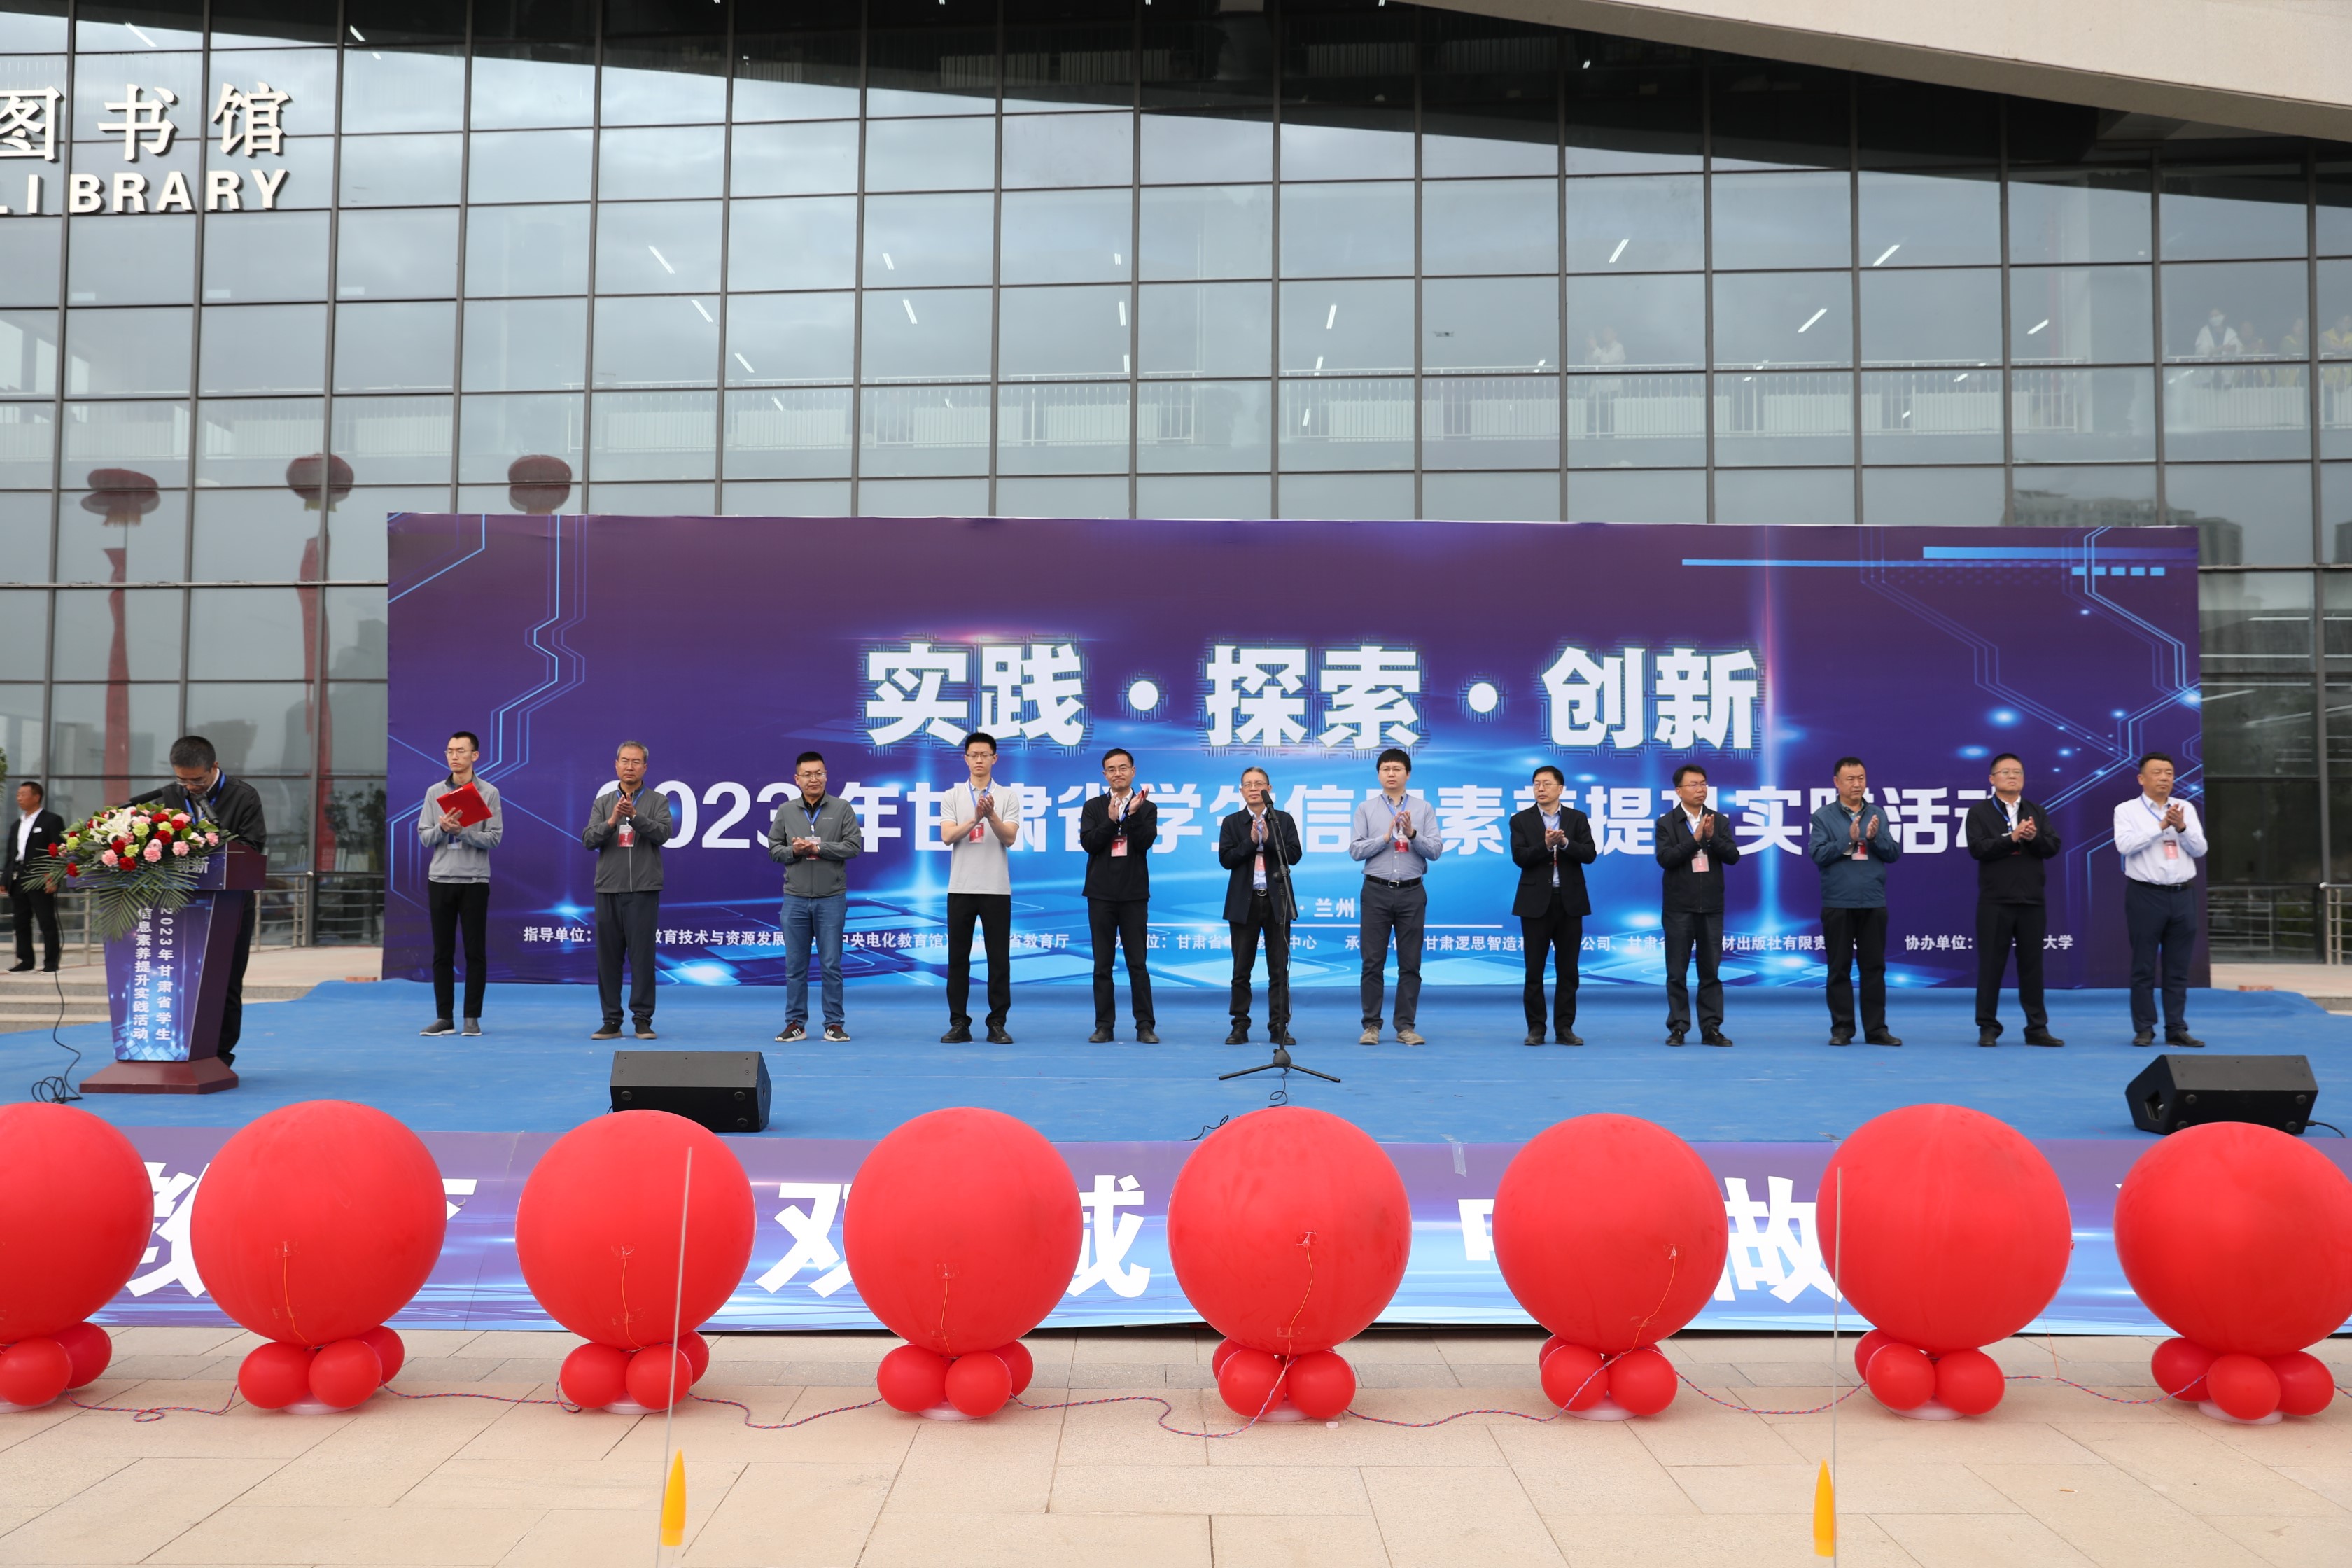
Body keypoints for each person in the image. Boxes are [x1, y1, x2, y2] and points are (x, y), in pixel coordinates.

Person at [139, 737, 268, 1067]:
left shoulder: (243, 796)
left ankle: (220, 1056)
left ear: (214, 766)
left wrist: (205, 843)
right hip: (177, 903)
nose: (189, 787)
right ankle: (176, 1047)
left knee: (226, 981)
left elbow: (252, 848)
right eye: (182, 779)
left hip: (230, 904)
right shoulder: (169, 796)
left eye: (197, 780)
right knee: (177, 978)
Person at [1963, 752, 2064, 1048]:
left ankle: (2037, 1028)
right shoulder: (1979, 812)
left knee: (2032, 967)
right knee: (1991, 966)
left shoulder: (2036, 811)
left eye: (2017, 772)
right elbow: (1978, 849)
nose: (2012, 776)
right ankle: (1988, 1027)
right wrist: (2012, 838)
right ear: (1992, 779)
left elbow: (2053, 846)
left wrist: (2032, 838)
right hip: (1995, 901)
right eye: (2005, 772)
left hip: (2032, 900)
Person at [766, 750, 863, 1044]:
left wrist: (820, 849)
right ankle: (795, 1023)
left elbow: (853, 846)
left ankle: (834, 1023)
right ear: (797, 779)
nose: (814, 779)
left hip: (831, 898)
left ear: (826, 776)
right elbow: (774, 850)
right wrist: (794, 851)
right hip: (795, 899)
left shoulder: (842, 808)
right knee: (795, 966)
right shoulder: (786, 810)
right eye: (807, 774)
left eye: (819, 773)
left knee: (831, 964)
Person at [1350, 747, 1444, 1046]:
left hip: (1412, 892)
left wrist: (1412, 834)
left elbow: (1436, 850)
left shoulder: (1424, 808)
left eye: (1397, 769)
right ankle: (1371, 1026)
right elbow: (1355, 850)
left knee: (1410, 963)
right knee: (1372, 963)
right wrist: (1385, 837)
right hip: (1376, 891)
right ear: (1378, 774)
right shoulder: (1366, 809)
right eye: (1386, 769)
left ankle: (1405, 1026)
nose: (1391, 774)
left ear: (1408, 774)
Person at [1807, 757, 1903, 1048]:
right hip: (1838, 902)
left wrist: (1874, 839)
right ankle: (1842, 1029)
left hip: (1873, 901)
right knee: (1839, 968)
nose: (1857, 784)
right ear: (1836, 783)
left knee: (1874, 968)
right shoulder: (1823, 816)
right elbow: (1818, 855)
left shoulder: (1877, 813)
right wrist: (1847, 841)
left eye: (1861, 778)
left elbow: (1893, 853)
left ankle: (1876, 1030)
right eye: (1850, 779)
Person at [2114, 751, 2208, 1049]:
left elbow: (2200, 849)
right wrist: (2160, 827)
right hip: (2146, 895)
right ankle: (2144, 1028)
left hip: (2183, 895)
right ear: (2141, 779)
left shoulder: (2186, 808)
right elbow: (2125, 845)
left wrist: (2181, 827)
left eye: (2169, 773)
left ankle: (2176, 1028)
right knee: (2143, 967)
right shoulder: (2126, 810)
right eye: (2157, 773)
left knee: (2178, 968)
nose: (2164, 778)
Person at [583, 740, 671, 1041]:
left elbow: (663, 834)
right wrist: (612, 821)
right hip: (608, 889)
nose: (629, 766)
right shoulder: (603, 802)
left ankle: (642, 1019)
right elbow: (588, 839)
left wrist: (635, 815)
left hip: (644, 890)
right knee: (608, 959)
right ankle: (611, 1020)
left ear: (645, 767)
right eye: (624, 761)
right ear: (616, 765)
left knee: (643, 958)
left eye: (636, 762)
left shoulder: (658, 801)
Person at [939, 731, 1023, 1044]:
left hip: (996, 888)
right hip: (961, 887)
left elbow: (1009, 838)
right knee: (958, 959)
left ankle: (997, 1023)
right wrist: (975, 819)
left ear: (994, 758)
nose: (979, 760)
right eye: (973, 755)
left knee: (998, 960)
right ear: (966, 759)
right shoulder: (952, 796)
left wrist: (991, 816)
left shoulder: (1008, 796)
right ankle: (959, 1023)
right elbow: (947, 837)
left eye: (984, 755)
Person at [417, 732, 503, 1037]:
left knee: (474, 952)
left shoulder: (489, 792)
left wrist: (462, 831)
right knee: (442, 952)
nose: (454, 756)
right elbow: (425, 837)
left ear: (474, 756)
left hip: (474, 881)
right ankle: (444, 1018)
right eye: (450, 751)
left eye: (461, 751)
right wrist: (443, 828)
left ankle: (471, 1018)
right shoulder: (434, 793)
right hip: (440, 880)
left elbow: (494, 838)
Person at [1508, 765, 1595, 1046]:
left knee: (1568, 971)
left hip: (1570, 902)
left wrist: (1566, 843)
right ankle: (1536, 1028)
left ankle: (1565, 1029)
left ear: (1561, 788)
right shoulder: (1521, 820)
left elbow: (1590, 854)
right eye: (1536, 784)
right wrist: (1545, 845)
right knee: (1534, 970)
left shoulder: (1577, 818)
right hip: (1535, 904)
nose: (1541, 788)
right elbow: (1520, 858)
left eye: (1547, 783)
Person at [1655, 762, 1740, 1046]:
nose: (1701, 789)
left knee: (1711, 972)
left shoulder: (1719, 820)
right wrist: (1695, 840)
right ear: (1679, 791)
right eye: (1694, 784)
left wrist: (1712, 838)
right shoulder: (1667, 823)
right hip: (1678, 907)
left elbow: (1733, 856)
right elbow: (1666, 859)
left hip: (1711, 907)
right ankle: (1678, 1027)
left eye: (1704, 783)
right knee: (1676, 972)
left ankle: (1711, 1028)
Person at [1078, 748, 1158, 1044]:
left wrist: (1132, 816)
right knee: (1102, 965)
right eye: (1111, 769)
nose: (1118, 773)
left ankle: (1145, 1026)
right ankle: (1104, 1026)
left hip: (1134, 894)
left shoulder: (1147, 807)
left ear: (1133, 771)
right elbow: (1089, 844)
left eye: (1123, 768)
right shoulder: (1094, 806)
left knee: (1138, 964)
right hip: (1100, 894)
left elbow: (1145, 842)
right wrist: (1111, 821)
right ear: (1105, 775)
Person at [1218, 766, 1302, 1046]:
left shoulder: (1282, 819)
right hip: (1245, 903)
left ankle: (1279, 1027)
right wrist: (1251, 842)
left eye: (1259, 784)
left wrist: (1268, 839)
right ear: (1241, 790)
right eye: (1248, 785)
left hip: (1277, 901)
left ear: (1269, 789)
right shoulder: (1232, 822)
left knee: (1278, 970)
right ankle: (1239, 1026)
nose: (1254, 789)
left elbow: (1294, 855)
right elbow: (1226, 859)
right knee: (1241, 969)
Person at [4, 780, 64, 973]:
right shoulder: (17, 824)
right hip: (18, 876)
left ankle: (51, 962)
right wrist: (5, 880)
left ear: (36, 797)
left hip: (40, 876)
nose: (19, 798)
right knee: (20, 921)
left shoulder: (52, 820)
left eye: (23, 794)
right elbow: (11, 854)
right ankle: (26, 961)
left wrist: (53, 876)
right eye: (18, 795)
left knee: (46, 920)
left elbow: (59, 850)